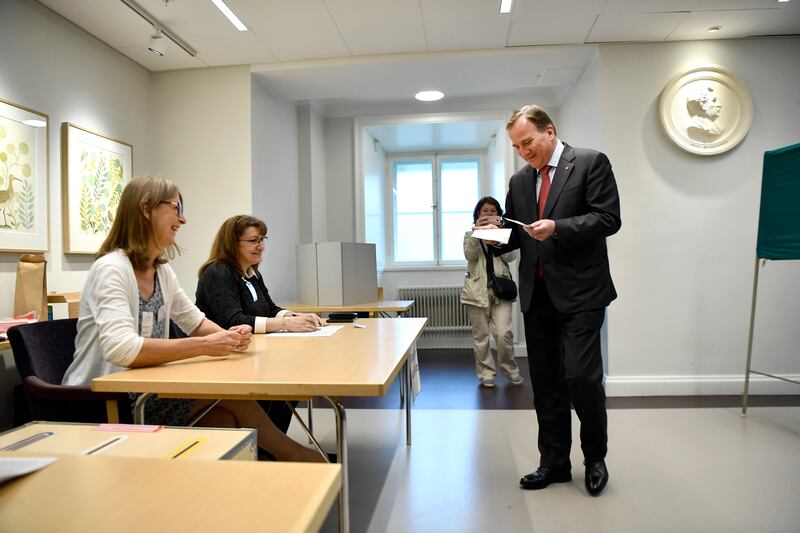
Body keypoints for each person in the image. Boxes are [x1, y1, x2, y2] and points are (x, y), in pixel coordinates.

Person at [62, 176, 324, 463]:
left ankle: (265, 470)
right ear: (147, 209)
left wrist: (231, 338)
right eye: (176, 208)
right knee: (232, 398)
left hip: (146, 390)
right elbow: (121, 349)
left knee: (223, 421)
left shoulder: (162, 272)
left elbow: (195, 322)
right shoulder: (111, 269)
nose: (182, 219)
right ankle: (294, 454)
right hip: (106, 398)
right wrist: (205, 345)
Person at [490, 105, 621, 496]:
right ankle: (554, 463)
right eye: (516, 146)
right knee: (546, 383)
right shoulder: (518, 181)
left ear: (550, 131)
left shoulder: (590, 162)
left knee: (581, 377)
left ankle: (595, 458)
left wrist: (558, 228)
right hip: (538, 294)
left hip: (582, 293)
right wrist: (493, 234)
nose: (523, 151)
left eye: (527, 142)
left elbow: (608, 218)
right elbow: (518, 232)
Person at [195, 214, 325, 434]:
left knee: (294, 380)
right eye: (253, 240)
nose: (261, 246)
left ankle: (270, 444)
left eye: (263, 240)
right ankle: (271, 445)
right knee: (286, 382)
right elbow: (233, 321)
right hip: (226, 359)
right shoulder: (217, 272)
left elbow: (271, 309)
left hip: (251, 352)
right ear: (232, 243)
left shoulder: (252, 273)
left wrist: (295, 317)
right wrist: (283, 323)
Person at [461, 196, 523, 388]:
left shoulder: (505, 234)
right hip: (476, 292)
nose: (488, 214)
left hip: (501, 291)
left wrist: (497, 239)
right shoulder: (469, 234)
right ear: (478, 214)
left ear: (499, 215)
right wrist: (476, 234)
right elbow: (470, 256)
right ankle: (486, 373)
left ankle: (510, 370)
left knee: (503, 334)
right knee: (481, 338)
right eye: (484, 211)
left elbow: (511, 256)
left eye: (493, 211)